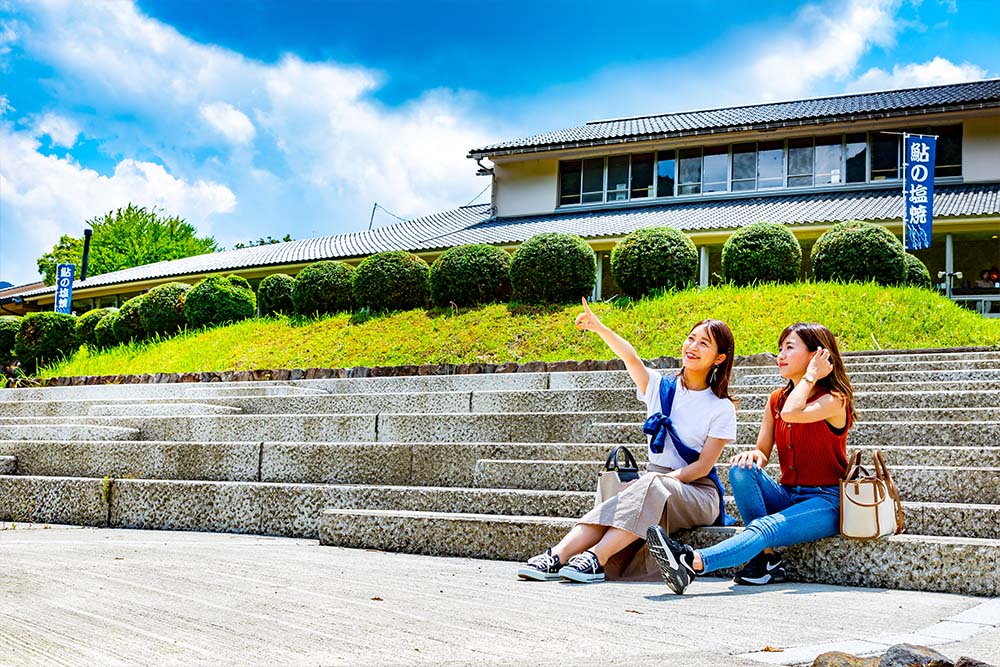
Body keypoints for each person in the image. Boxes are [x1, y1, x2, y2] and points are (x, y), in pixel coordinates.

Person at [516, 297, 737, 583]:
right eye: (691, 338)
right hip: (655, 483)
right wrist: (600, 329)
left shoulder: (721, 407)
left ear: (719, 358)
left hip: (698, 493)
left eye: (704, 344)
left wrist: (655, 481)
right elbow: (631, 358)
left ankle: (597, 557)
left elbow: (703, 467)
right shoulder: (660, 387)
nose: (692, 347)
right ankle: (557, 556)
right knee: (622, 482)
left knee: (650, 485)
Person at [646, 322, 856, 594]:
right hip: (788, 493)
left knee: (764, 526)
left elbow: (793, 413)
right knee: (740, 471)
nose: (780, 355)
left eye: (789, 348)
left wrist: (812, 376)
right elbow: (763, 452)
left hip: (826, 501)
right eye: (780, 348)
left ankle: (692, 562)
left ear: (818, 355)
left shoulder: (834, 399)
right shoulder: (776, 399)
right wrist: (752, 455)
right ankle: (766, 560)